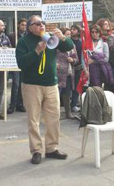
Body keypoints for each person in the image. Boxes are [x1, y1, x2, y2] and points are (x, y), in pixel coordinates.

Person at [16, 15, 74, 164]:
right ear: (30, 27)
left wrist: (63, 38)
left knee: (53, 117)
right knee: (33, 119)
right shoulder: (23, 42)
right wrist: (36, 51)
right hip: (32, 85)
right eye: (37, 23)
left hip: (51, 84)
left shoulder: (49, 38)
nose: (41, 25)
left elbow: (68, 47)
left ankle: (52, 148)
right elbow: (21, 63)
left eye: (43, 22)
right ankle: (36, 150)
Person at [56, 28, 78, 119]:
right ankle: (55, 113)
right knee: (56, 94)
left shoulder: (72, 46)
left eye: (69, 34)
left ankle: (68, 112)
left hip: (69, 73)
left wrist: (73, 60)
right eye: (66, 34)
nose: (68, 36)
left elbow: (76, 59)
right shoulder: (56, 45)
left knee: (67, 93)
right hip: (58, 73)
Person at [7, 18, 28, 114]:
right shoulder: (12, 35)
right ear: (18, 25)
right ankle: (12, 105)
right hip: (14, 62)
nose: (24, 26)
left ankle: (20, 104)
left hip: (24, 62)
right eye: (22, 24)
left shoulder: (27, 36)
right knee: (15, 84)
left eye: (25, 25)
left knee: (21, 85)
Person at [70, 24, 83, 112]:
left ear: (78, 32)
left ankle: (74, 104)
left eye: (74, 29)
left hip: (78, 67)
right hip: (69, 66)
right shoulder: (69, 41)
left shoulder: (81, 42)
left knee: (76, 87)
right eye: (71, 29)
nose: (72, 31)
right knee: (68, 87)